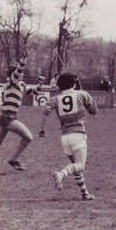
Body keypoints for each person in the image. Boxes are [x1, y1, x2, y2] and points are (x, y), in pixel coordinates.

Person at [39, 72, 98, 201]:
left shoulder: (55, 99)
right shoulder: (81, 94)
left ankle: (85, 194)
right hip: (77, 134)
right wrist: (83, 92)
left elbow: (45, 112)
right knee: (80, 166)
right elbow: (94, 111)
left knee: (76, 168)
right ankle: (61, 174)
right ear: (74, 83)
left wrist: (42, 129)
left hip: (65, 137)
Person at [0, 47, 43, 171]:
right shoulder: (11, 82)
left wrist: (40, 83)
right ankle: (13, 160)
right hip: (7, 118)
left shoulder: (21, 85)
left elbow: (34, 92)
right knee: (28, 137)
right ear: (14, 73)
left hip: (9, 117)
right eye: (20, 73)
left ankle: (13, 160)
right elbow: (18, 72)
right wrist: (24, 58)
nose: (22, 74)